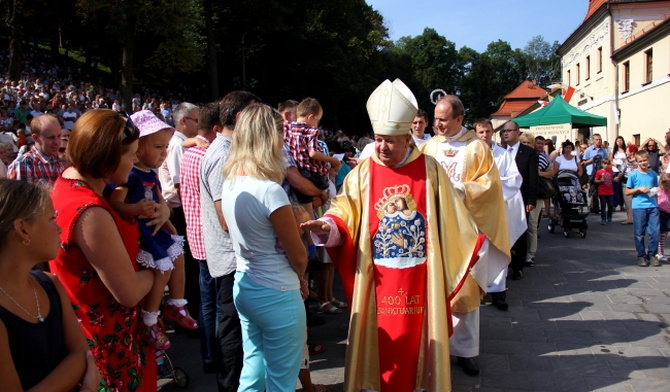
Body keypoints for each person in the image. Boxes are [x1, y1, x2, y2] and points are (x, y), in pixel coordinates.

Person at [301, 79, 492, 391]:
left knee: (417, 340)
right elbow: (344, 207)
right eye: (378, 139)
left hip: (420, 276)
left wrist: (472, 244)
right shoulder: (364, 171)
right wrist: (330, 225)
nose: (382, 147)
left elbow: (453, 218)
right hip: (377, 278)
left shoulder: (429, 169)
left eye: (390, 140)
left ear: (407, 138)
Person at [49, 109, 159, 390]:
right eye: (130, 154)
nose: (136, 160)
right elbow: (129, 291)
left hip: (87, 334)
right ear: (106, 158)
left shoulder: (70, 183)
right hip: (108, 345)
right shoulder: (91, 213)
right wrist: (159, 267)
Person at [419, 97, 509, 375]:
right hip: (433, 231)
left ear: (459, 119)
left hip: (466, 231)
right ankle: (433, 346)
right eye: (435, 119)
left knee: (465, 291)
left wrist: (458, 190)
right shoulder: (427, 146)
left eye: (443, 119)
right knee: (431, 289)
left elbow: (490, 186)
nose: (437, 124)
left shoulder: (477, 148)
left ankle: (465, 351)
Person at [221, 104, 308, 391]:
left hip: (246, 286)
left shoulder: (232, 182)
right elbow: (297, 254)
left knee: (253, 370)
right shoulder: (269, 191)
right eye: (281, 133)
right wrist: (302, 278)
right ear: (269, 138)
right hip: (277, 292)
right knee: (281, 381)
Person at [109, 110, 198, 350]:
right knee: (163, 271)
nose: (165, 153)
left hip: (156, 229)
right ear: (137, 149)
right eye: (159, 147)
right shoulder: (129, 175)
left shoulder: (150, 174)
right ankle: (150, 317)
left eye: (166, 147)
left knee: (179, 258)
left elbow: (161, 201)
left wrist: (166, 214)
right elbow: (115, 203)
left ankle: (177, 303)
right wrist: (134, 208)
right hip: (143, 231)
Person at [0, 179, 95, 391]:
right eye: (52, 218)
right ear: (22, 229)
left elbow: (82, 354)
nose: (59, 228)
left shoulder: (49, 284)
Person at [200, 90, 259, 391]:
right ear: (240, 118)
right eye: (255, 114)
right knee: (233, 332)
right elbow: (227, 219)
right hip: (231, 260)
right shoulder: (224, 154)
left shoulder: (226, 150)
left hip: (232, 258)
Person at [180, 102, 221, 374]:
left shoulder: (190, 153)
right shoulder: (207, 156)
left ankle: (209, 357)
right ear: (217, 129)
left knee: (208, 302)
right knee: (217, 304)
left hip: (196, 236)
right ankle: (217, 355)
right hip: (211, 237)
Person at [474, 118, 525, 310]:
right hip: (476, 211)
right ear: (475, 133)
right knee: (478, 251)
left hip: (497, 211)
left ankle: (498, 293)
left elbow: (514, 179)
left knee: (497, 249)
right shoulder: (470, 154)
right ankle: (477, 290)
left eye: (487, 131)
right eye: (481, 132)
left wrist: (491, 186)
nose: (484, 135)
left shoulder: (503, 155)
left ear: (492, 132)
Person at [157, 102, 201, 324]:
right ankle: (187, 312)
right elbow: (181, 185)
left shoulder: (182, 144)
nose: (199, 123)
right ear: (183, 121)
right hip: (179, 210)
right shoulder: (177, 145)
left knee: (190, 267)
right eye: (196, 119)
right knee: (188, 268)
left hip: (183, 209)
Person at [283, 98, 341, 215]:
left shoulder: (288, 127)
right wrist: (331, 160)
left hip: (297, 169)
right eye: (317, 120)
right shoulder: (311, 131)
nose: (317, 124)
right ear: (310, 117)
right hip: (311, 174)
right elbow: (313, 153)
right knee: (326, 186)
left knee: (305, 205)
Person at [7, 114, 64, 187]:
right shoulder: (22, 165)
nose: (57, 142)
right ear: (35, 138)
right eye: (51, 138)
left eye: (59, 136)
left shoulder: (59, 163)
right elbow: (15, 197)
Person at [625, 150, 660, 267]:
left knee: (654, 232)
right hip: (639, 206)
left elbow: (656, 188)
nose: (643, 163)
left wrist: (654, 191)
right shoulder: (633, 175)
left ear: (648, 160)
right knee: (639, 233)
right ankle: (641, 255)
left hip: (652, 206)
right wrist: (638, 189)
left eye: (645, 160)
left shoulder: (653, 174)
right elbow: (627, 191)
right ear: (637, 162)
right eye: (640, 161)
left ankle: (653, 254)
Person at [581, 134, 608, 213]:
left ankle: (598, 206)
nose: (598, 141)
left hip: (600, 172)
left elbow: (606, 160)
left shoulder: (603, 151)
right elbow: (583, 162)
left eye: (599, 139)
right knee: (593, 189)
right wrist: (592, 160)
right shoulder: (589, 150)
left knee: (600, 189)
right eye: (596, 139)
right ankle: (594, 206)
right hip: (591, 172)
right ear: (593, 140)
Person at [594, 158, 616, 224]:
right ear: (602, 164)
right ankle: (603, 218)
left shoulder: (611, 171)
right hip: (602, 191)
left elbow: (612, 178)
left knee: (611, 205)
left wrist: (615, 179)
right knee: (603, 205)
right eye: (604, 164)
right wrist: (600, 180)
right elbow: (595, 180)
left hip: (610, 191)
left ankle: (609, 217)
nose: (606, 165)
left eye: (607, 164)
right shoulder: (599, 172)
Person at [610, 136, 628, 211]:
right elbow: (609, 160)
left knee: (623, 189)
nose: (619, 142)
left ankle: (622, 204)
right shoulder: (614, 151)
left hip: (624, 171)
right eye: (618, 141)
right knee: (615, 188)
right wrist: (614, 164)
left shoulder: (626, 150)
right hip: (616, 170)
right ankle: (614, 204)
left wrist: (625, 159)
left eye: (621, 140)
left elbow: (629, 159)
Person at [657, 173, 670, 262]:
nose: (667, 187)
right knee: (662, 233)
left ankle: (661, 251)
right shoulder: (658, 191)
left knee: (665, 234)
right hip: (660, 213)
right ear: (661, 183)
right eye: (665, 185)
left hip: (668, 213)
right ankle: (659, 252)